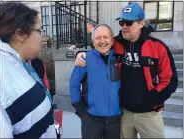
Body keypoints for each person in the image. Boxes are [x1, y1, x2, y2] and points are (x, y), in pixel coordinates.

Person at [75, 2, 178, 138]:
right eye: (122, 22)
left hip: (149, 114)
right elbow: (99, 48)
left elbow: (170, 79)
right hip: (124, 113)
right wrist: (81, 54)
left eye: (128, 22)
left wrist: (153, 99)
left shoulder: (158, 47)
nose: (124, 26)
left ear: (141, 23)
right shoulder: (115, 43)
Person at [0, 2, 57, 138]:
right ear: (20, 34)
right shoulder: (3, 75)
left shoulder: (20, 63)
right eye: (40, 31)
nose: (42, 38)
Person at [70, 24, 122, 139]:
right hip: (92, 119)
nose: (102, 41)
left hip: (115, 120)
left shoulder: (120, 58)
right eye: (98, 38)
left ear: (112, 40)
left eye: (105, 37)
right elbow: (74, 85)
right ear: (93, 41)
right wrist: (81, 111)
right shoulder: (85, 59)